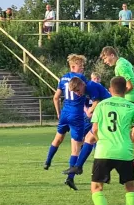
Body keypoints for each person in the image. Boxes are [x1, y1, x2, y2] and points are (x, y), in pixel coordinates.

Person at [89, 76, 134, 205]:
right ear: (126, 90)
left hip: (103, 151)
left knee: (96, 188)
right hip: (125, 152)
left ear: (109, 89)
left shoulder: (101, 105)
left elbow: (94, 129)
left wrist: (99, 140)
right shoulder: (132, 107)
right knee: (130, 187)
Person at [44, 54, 88, 191]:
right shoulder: (81, 79)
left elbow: (56, 97)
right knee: (76, 148)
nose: (83, 68)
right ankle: (70, 178)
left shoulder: (63, 78)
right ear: (73, 66)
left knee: (58, 138)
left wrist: (58, 113)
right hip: (76, 115)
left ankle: (48, 161)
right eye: (81, 66)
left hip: (64, 113)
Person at [100, 46, 134, 160]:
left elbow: (129, 86)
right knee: (132, 130)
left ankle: (126, 157)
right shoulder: (124, 61)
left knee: (122, 130)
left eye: (105, 58)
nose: (105, 61)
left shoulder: (120, 65)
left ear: (112, 55)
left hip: (130, 98)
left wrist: (117, 96)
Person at [61, 79, 111, 176]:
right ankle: (80, 167)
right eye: (75, 92)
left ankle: (81, 167)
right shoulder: (85, 89)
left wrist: (89, 111)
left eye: (78, 90)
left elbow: (96, 102)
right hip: (104, 112)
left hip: (107, 112)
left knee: (91, 139)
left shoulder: (91, 86)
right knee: (90, 139)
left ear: (82, 84)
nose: (77, 93)